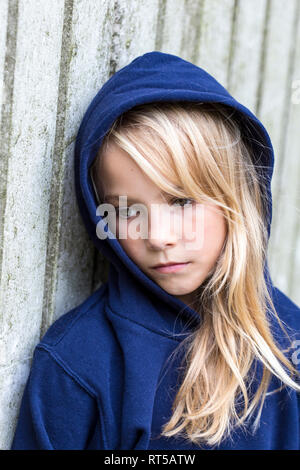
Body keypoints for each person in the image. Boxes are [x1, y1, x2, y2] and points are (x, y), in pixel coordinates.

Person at [11, 51, 300, 450]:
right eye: (128, 211)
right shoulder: (78, 364)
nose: (159, 236)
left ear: (237, 197)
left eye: (181, 201)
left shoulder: (287, 343)